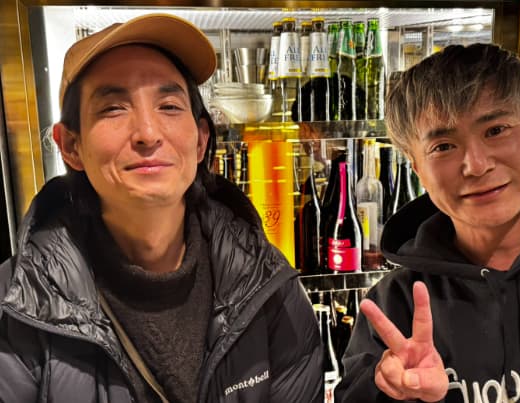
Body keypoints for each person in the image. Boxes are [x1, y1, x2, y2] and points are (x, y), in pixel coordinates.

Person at [0, 13, 322, 402]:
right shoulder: (17, 302)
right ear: (71, 146)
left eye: (168, 106)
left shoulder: (268, 285)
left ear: (201, 140)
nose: (148, 134)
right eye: (113, 108)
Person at [335, 43, 520, 402]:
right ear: (417, 169)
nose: (476, 165)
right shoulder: (395, 306)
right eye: (443, 146)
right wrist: (397, 394)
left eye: (496, 130)